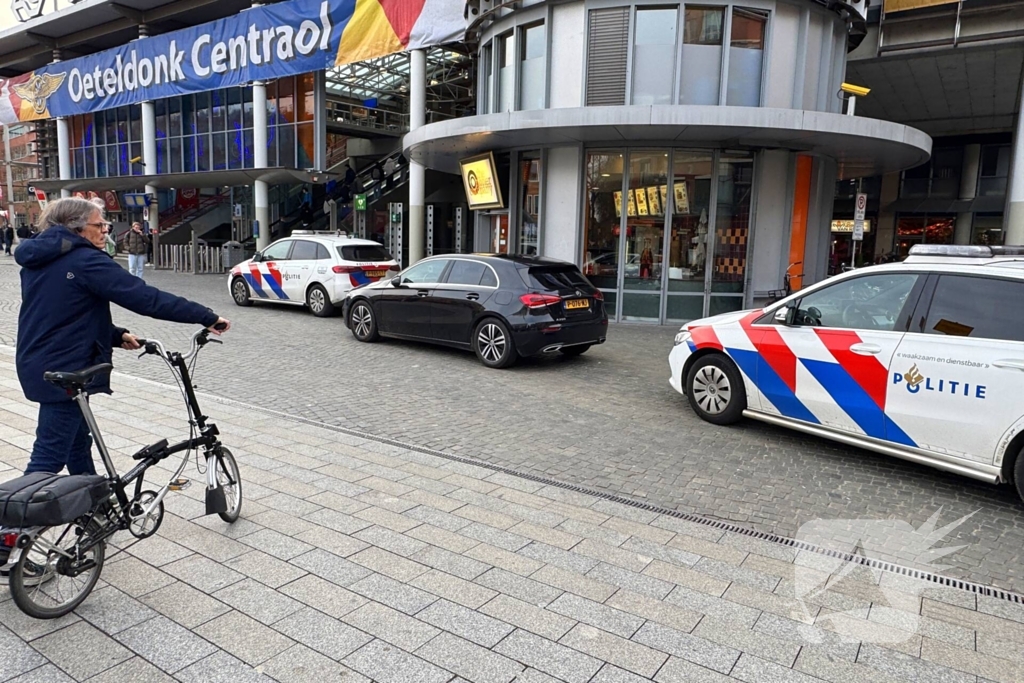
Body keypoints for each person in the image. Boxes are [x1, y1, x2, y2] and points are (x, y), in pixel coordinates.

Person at [14, 197, 230, 477]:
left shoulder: (39, 259)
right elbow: (145, 298)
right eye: (99, 225)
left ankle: (93, 499)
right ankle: (18, 506)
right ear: (76, 227)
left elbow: (61, 313)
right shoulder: (85, 260)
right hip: (63, 366)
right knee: (48, 458)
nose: (106, 230)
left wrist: (115, 336)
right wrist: (206, 316)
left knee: (77, 443)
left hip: (39, 359)